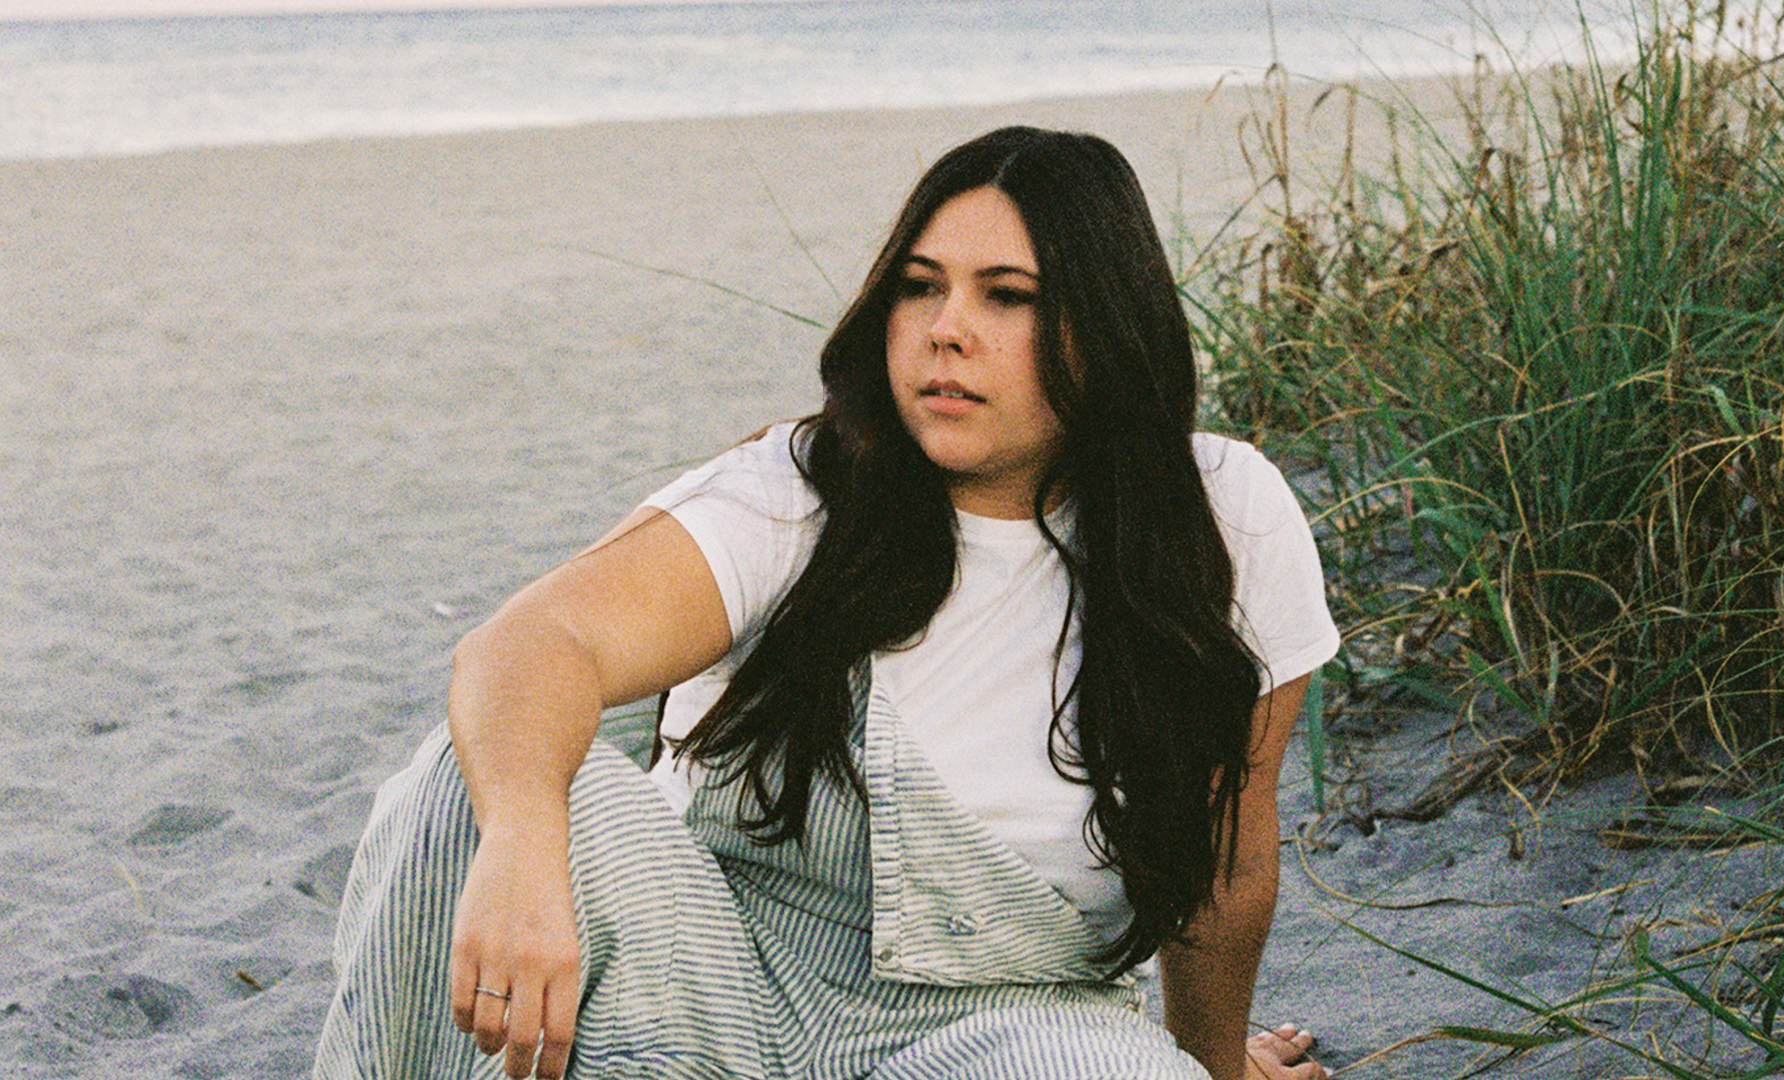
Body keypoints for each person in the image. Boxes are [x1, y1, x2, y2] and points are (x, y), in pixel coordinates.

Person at [315, 126, 1339, 1080]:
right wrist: (522, 843)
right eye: (919, 287)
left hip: (1021, 1020)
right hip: (721, 984)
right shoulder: (801, 493)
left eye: (1007, 296)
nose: (945, 330)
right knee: (470, 785)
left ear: (1106, 325)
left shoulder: (1224, 517)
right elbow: (535, 640)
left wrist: (1209, 1070)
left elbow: (1228, 860)